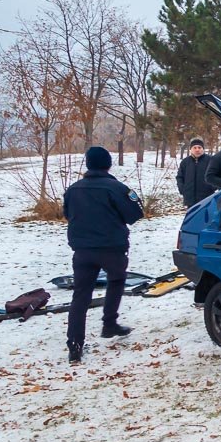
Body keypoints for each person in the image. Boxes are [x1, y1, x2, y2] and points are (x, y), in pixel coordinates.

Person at [63, 146, 144, 364]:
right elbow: (135, 214)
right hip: (111, 248)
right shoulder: (116, 188)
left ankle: (75, 344)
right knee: (116, 281)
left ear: (88, 164)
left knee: (80, 295)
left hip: (82, 250)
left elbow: (66, 213)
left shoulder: (73, 189)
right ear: (108, 164)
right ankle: (109, 323)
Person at [175, 138, 213, 208]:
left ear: (203, 149)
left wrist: (212, 188)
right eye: (194, 147)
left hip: (207, 198)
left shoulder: (210, 160)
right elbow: (179, 177)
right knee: (192, 218)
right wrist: (182, 189)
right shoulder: (185, 162)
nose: (197, 150)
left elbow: (217, 175)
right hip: (190, 199)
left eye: (199, 147)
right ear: (191, 149)